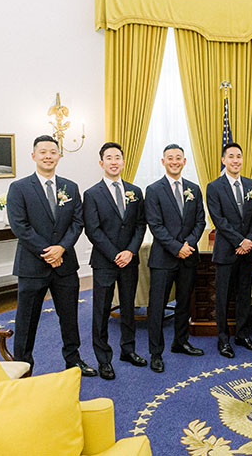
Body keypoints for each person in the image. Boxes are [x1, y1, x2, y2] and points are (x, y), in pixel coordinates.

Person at [6, 135, 96, 376]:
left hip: (65, 265)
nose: (48, 156)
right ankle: (23, 366)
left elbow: (77, 223)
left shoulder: (70, 186)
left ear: (59, 156)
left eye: (52, 152)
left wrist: (61, 249)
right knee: (26, 321)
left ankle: (73, 359)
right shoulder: (19, 188)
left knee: (69, 318)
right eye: (43, 152)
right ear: (33, 156)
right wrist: (47, 252)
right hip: (32, 266)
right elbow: (19, 226)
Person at [82, 142, 147, 380]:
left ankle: (128, 350)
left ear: (122, 162)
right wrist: (114, 254)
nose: (113, 161)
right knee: (101, 310)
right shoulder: (91, 194)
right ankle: (103, 359)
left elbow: (141, 225)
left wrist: (130, 251)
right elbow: (93, 229)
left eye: (117, 157)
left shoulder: (135, 191)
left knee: (129, 307)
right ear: (102, 163)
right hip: (104, 261)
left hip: (129, 260)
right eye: (109, 158)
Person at [144, 144, 206, 373]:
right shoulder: (153, 190)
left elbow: (201, 220)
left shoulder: (194, 189)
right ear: (163, 161)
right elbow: (155, 224)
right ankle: (156, 352)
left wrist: (188, 244)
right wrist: (176, 247)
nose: (174, 161)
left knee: (184, 304)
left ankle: (180, 342)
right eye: (170, 158)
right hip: (163, 258)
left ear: (184, 161)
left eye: (178, 158)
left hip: (188, 257)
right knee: (158, 306)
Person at [206, 142, 252, 358]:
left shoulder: (251, 185)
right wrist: (239, 241)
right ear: (224, 160)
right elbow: (218, 220)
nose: (235, 160)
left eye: (239, 156)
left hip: (248, 251)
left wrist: (249, 240)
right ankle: (223, 338)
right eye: (231, 156)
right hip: (226, 251)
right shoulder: (214, 187)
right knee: (222, 296)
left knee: (244, 295)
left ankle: (242, 334)